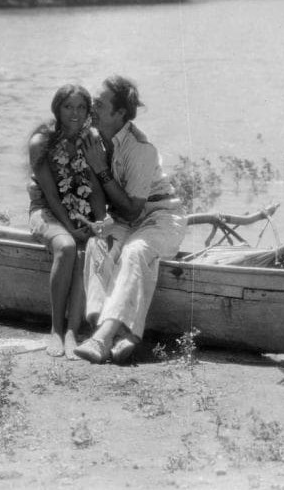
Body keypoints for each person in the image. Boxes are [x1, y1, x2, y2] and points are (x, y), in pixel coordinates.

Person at [73, 75, 187, 364]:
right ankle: (114, 330)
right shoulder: (97, 139)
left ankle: (102, 338)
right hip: (125, 216)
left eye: (99, 103)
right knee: (99, 244)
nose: (92, 107)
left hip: (161, 216)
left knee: (135, 252)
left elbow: (135, 210)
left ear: (120, 113)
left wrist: (100, 169)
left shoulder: (140, 148)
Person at [27, 83, 108, 358]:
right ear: (57, 108)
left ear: (88, 111)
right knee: (67, 247)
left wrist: (98, 223)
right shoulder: (41, 142)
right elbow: (50, 193)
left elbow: (95, 188)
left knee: (91, 248)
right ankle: (56, 330)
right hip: (47, 211)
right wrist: (71, 229)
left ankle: (74, 331)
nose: (75, 113)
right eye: (68, 107)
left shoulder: (91, 140)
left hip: (80, 212)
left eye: (81, 107)